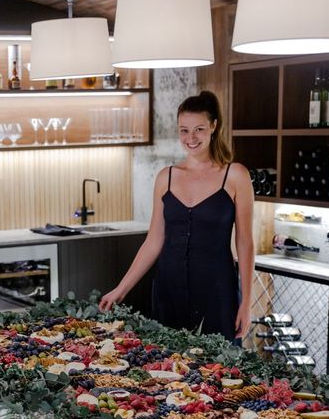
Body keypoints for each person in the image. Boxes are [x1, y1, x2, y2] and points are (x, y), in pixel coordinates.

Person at [99, 90, 254, 342]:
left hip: (217, 290)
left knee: (220, 372)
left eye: (199, 129)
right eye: (184, 130)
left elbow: (245, 242)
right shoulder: (166, 177)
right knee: (169, 371)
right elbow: (153, 241)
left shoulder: (235, 175)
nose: (191, 138)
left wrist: (246, 301)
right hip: (168, 289)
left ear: (214, 126)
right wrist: (121, 289)